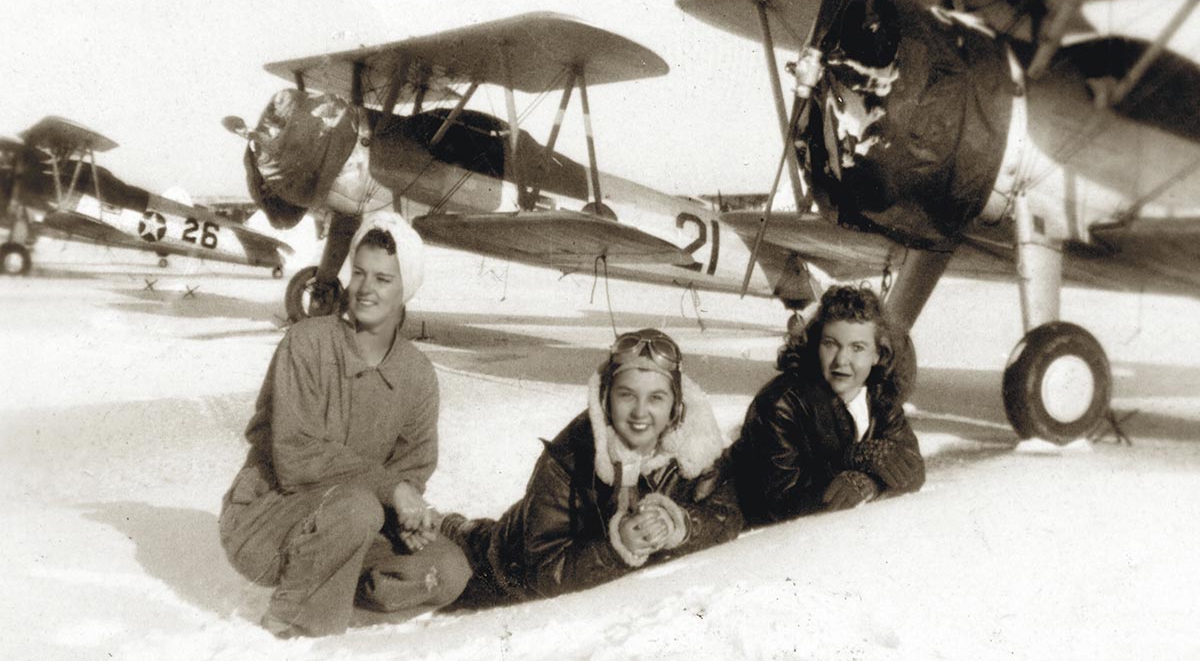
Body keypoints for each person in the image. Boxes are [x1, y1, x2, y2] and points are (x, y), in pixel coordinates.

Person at [218, 211, 469, 637]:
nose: (366, 289)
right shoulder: (307, 342)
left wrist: (407, 521)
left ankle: (332, 598)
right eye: (359, 274)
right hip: (265, 521)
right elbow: (296, 455)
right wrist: (392, 491)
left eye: (384, 279)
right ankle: (290, 624)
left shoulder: (418, 375)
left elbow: (410, 470)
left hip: (353, 523)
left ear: (406, 288)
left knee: (447, 570)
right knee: (357, 506)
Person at [440, 328, 743, 608]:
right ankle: (452, 527)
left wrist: (678, 524)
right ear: (606, 399)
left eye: (656, 398)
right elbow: (545, 570)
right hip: (508, 566)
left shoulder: (694, 448)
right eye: (626, 395)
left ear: (676, 407)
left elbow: (727, 515)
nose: (640, 412)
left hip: (564, 557)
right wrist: (617, 546)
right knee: (468, 554)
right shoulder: (567, 458)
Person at [733, 285, 924, 525]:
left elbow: (913, 468)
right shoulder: (781, 403)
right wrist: (852, 458)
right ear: (816, 344)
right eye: (831, 344)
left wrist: (870, 485)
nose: (841, 360)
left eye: (857, 347)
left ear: (877, 354)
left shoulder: (878, 396)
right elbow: (780, 503)